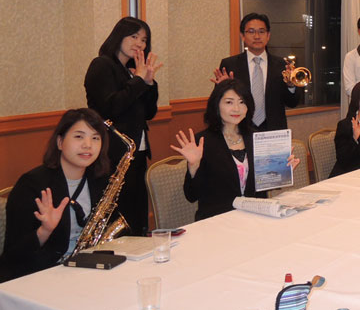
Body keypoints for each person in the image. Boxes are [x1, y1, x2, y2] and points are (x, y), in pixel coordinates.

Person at [1, 109, 110, 282]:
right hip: (41, 275)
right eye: (79, 136)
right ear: (60, 142)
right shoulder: (31, 185)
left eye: (95, 138)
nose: (88, 145)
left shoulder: (100, 180)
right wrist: (45, 230)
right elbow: (14, 255)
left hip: (87, 269)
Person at [173, 78, 299, 221]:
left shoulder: (256, 138)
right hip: (217, 220)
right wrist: (194, 166)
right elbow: (191, 196)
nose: (236, 109)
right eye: (229, 102)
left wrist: (281, 171)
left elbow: (260, 187)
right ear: (216, 105)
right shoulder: (202, 142)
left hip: (254, 217)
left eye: (242, 102)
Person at [84, 16, 161, 236]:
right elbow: (110, 107)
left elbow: (149, 112)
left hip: (136, 152)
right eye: (134, 36)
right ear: (119, 36)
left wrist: (149, 83)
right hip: (112, 154)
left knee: (137, 214)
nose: (140, 43)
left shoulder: (132, 70)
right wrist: (138, 80)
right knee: (117, 215)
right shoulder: (102, 65)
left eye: (144, 40)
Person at [214, 13, 301, 132]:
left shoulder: (282, 65)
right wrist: (223, 89)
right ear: (242, 36)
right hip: (240, 129)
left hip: (274, 131)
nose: (257, 36)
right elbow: (217, 105)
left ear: (268, 35)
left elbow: (292, 103)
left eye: (261, 31)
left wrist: (291, 86)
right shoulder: (230, 64)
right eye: (251, 32)